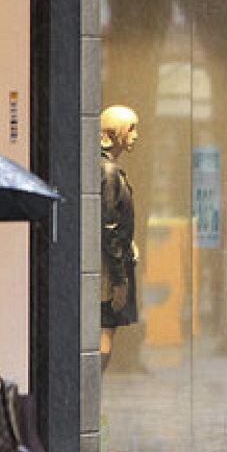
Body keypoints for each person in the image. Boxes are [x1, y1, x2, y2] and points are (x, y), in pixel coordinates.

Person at [99, 104, 140, 371]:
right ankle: (92, 399)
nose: (136, 136)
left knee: (106, 332)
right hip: (109, 268)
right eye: (131, 129)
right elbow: (110, 225)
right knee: (105, 334)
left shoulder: (108, 169)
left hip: (112, 263)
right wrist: (119, 279)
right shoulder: (109, 172)